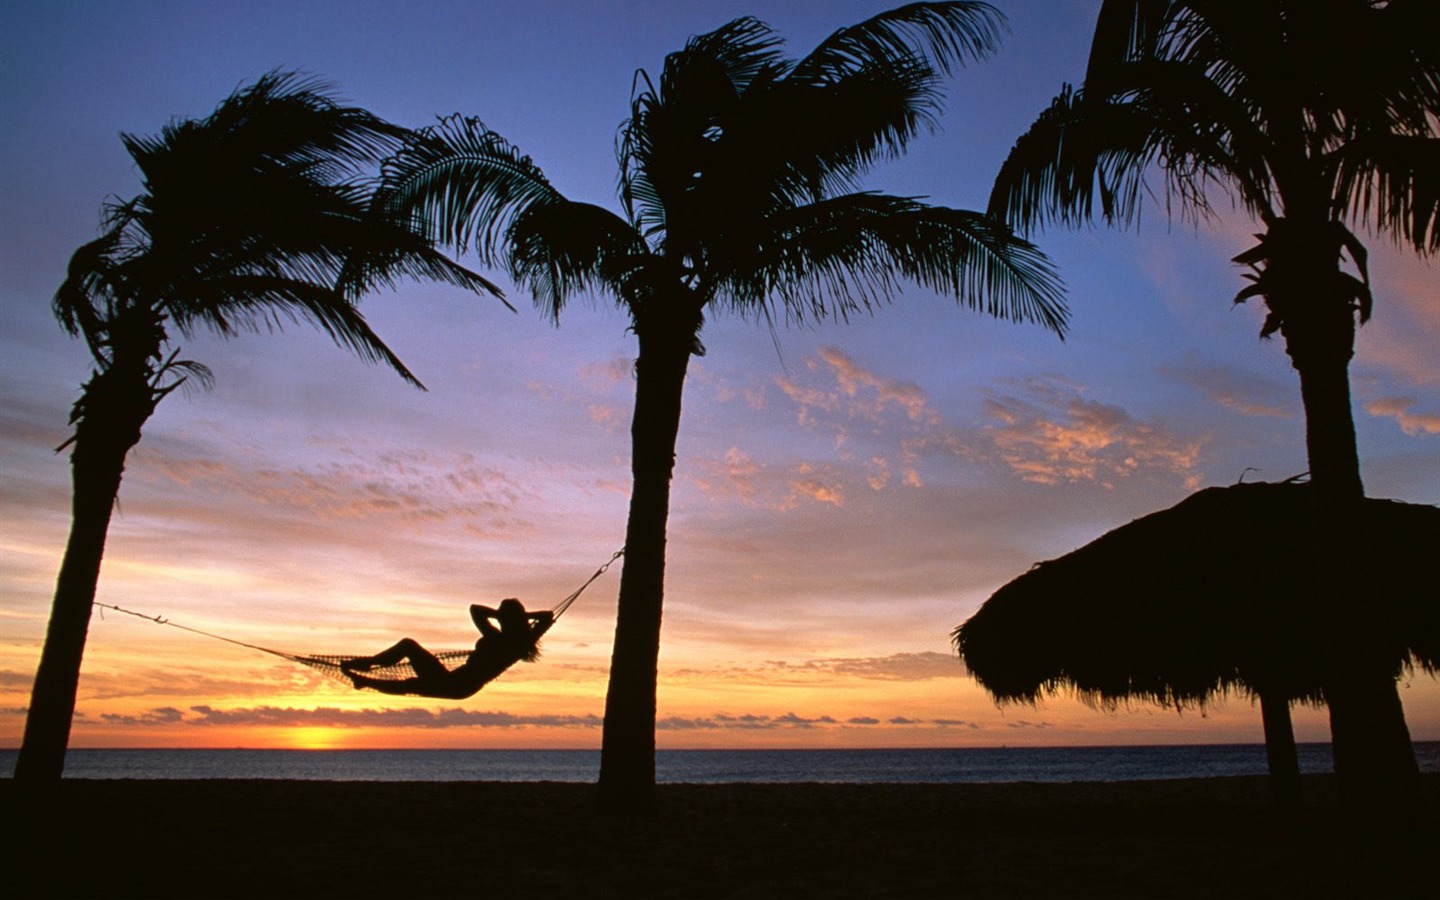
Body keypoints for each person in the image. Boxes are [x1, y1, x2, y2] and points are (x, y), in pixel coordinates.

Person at [340, 599, 553, 699]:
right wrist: (511, 615)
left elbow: (476, 610)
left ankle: (367, 669)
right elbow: (546, 618)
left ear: (509, 620)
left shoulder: (503, 640)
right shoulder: (521, 641)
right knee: (412, 683)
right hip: (456, 683)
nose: (500, 618)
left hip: (457, 685)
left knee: (409, 651)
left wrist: (504, 615)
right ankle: (365, 678)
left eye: (503, 616)